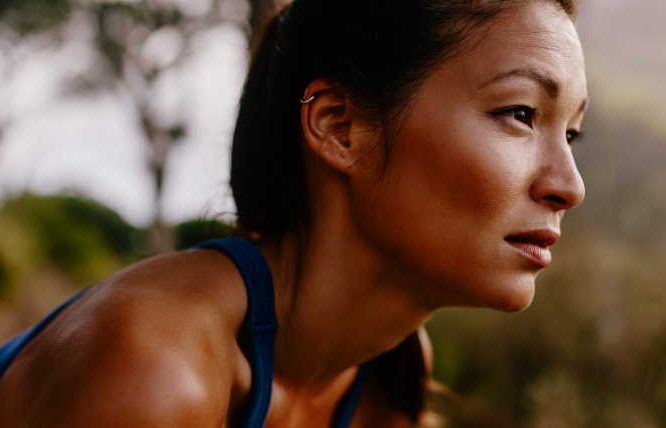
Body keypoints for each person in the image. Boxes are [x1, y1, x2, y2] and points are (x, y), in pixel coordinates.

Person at [0, 0, 587, 425]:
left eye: (573, 133)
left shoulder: (386, 372)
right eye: (521, 113)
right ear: (339, 127)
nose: (570, 185)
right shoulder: (153, 368)